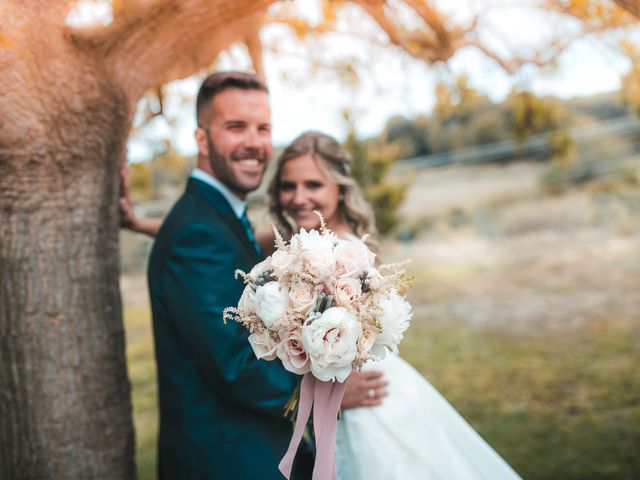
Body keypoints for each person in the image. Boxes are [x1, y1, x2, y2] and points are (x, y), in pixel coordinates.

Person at [129, 72, 386, 479]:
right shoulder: (198, 232)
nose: (254, 142)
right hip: (228, 460)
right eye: (236, 127)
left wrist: (145, 224)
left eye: (263, 128)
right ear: (201, 139)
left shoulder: (217, 218)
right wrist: (322, 395)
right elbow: (234, 366)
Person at [264, 131, 523, 480]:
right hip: (342, 398)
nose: (298, 198)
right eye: (287, 186)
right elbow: (245, 233)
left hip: (368, 395)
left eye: (313, 185)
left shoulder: (342, 254)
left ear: (339, 189)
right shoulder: (300, 242)